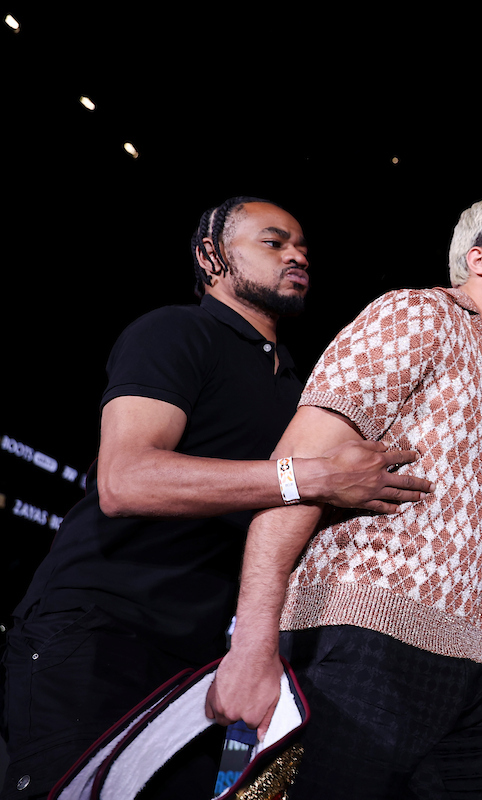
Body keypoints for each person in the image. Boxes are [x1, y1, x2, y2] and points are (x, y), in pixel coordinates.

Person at [1, 197, 430, 800]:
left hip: (199, 659)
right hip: (97, 632)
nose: (298, 254)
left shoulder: (296, 386)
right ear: (211, 258)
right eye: (273, 243)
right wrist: (308, 476)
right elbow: (124, 481)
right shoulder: (176, 331)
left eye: (302, 245)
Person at [205, 196, 482, 799]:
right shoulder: (417, 315)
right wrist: (251, 645)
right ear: (477, 259)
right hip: (357, 642)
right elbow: (291, 478)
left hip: (455, 660)